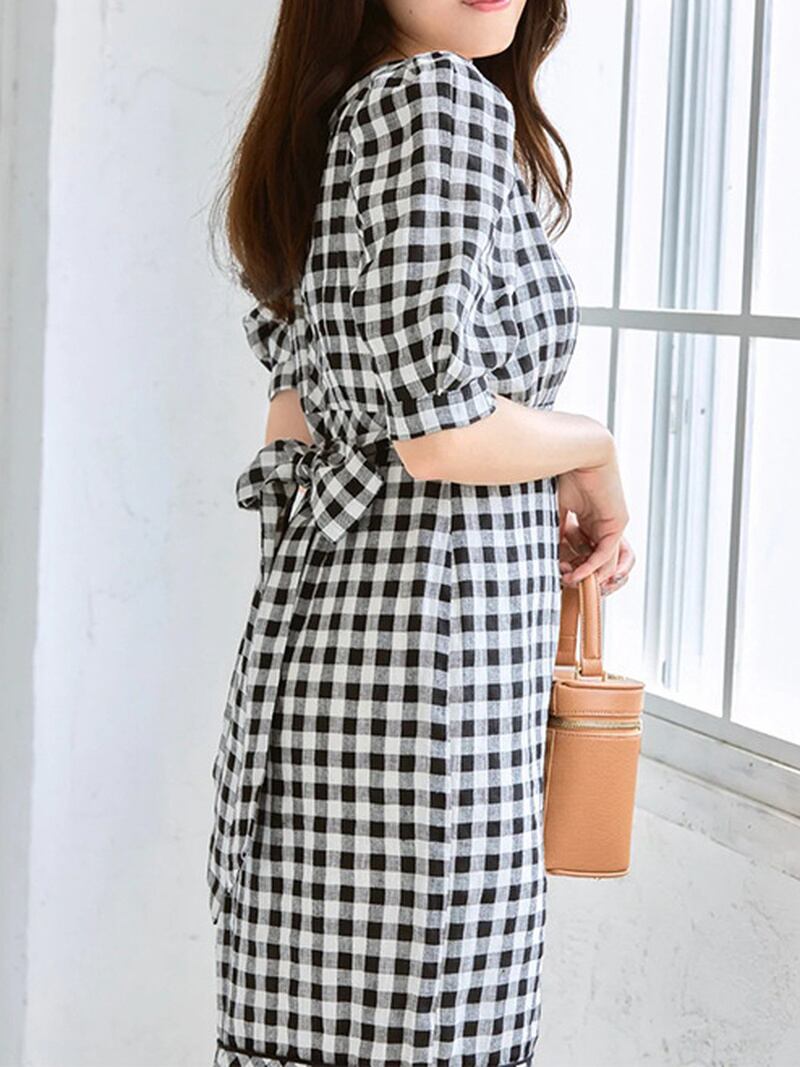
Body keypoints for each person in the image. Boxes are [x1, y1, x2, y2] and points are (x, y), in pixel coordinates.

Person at [206, 2, 634, 1065]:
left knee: (320, 1023)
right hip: (431, 693)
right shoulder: (437, 100)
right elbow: (440, 431)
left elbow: (294, 421)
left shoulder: (337, 114)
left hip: (339, 661)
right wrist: (590, 447)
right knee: (434, 1025)